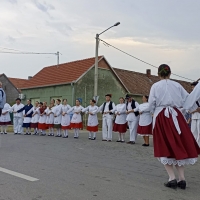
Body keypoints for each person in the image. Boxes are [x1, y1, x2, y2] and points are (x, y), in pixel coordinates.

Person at [148, 64, 200, 190]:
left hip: (162, 117)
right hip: (177, 116)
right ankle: (182, 179)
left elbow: (151, 103)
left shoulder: (155, 86)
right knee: (178, 145)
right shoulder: (177, 85)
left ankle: (172, 178)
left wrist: (153, 113)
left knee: (164, 146)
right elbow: (188, 99)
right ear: (170, 74)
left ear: (158, 74)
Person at [188, 82, 200, 146]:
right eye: (192, 87)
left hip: (199, 115)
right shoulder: (191, 96)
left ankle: (198, 146)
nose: (193, 89)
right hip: (194, 116)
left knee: (199, 132)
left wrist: (194, 110)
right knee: (193, 132)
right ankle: (194, 146)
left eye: (194, 87)